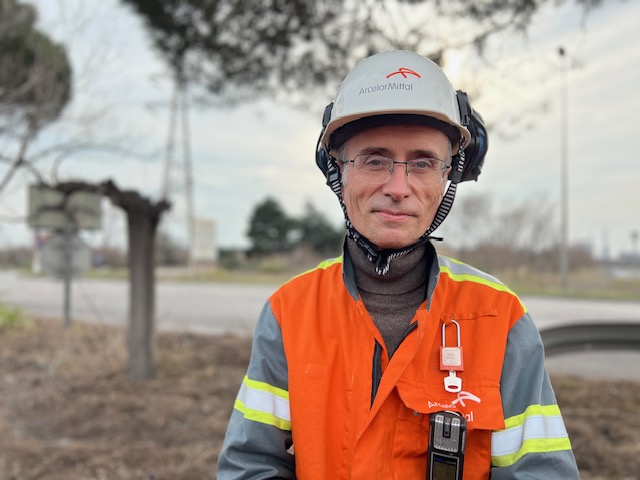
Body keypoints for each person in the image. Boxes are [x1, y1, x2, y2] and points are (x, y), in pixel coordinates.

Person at [217, 50, 580, 479]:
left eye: (423, 163)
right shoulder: (290, 311)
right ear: (337, 171)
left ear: (449, 175)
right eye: (375, 159)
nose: (398, 187)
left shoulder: (500, 316)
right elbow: (251, 466)